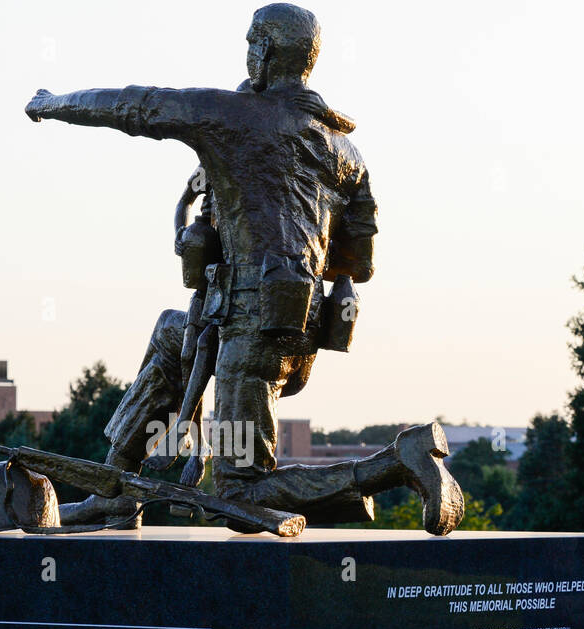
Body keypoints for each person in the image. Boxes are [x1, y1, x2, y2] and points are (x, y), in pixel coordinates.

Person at [28, 4, 462, 534]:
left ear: (268, 51)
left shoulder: (232, 116)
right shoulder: (347, 152)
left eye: (252, 42)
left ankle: (396, 463)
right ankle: (116, 490)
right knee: (171, 336)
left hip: (250, 329)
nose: (248, 53)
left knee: (242, 490)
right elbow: (358, 265)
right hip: (287, 329)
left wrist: (54, 104)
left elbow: (135, 106)